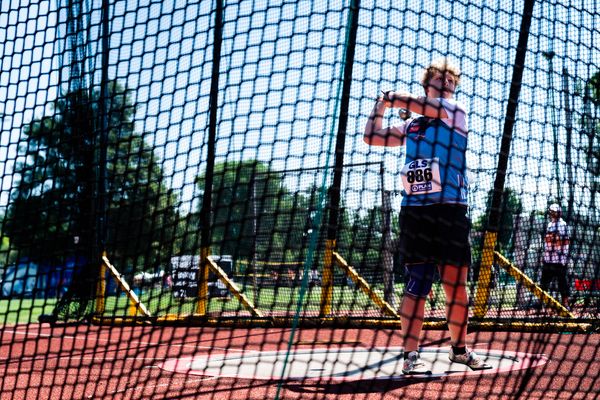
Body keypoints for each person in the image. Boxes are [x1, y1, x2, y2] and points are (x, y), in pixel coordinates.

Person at [364, 58, 491, 375]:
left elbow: (425, 106)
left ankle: (459, 350)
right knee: (417, 283)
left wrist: (395, 99)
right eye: (440, 76)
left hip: (450, 209)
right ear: (427, 82)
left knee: (455, 285)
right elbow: (371, 136)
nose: (447, 80)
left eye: (451, 78)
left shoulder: (454, 112)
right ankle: (410, 355)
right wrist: (381, 104)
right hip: (416, 212)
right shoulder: (412, 126)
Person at [540, 203, 570, 308]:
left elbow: (565, 241)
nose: (552, 213)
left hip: (560, 259)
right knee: (544, 283)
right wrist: (554, 239)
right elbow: (547, 240)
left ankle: (565, 303)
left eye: (554, 211)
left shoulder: (563, 224)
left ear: (559, 213)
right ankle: (542, 303)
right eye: (551, 211)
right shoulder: (550, 225)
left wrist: (553, 239)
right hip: (548, 259)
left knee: (562, 283)